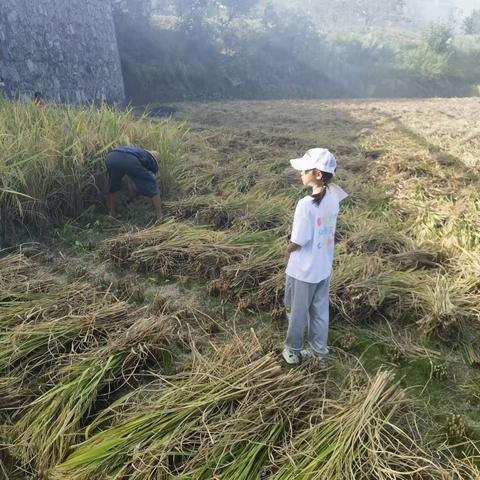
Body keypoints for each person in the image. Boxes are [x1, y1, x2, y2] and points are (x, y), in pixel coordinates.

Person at [282, 148, 348, 365]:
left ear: (318, 174)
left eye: (304, 170)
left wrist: (287, 249)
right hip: (323, 267)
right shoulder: (334, 197)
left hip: (302, 270)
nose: (300, 173)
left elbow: (298, 241)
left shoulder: (305, 205)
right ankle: (319, 352)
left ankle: (292, 350)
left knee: (296, 311)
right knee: (319, 312)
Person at [104, 146, 163, 222]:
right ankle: (159, 216)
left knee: (113, 186)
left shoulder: (136, 150)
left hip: (110, 157)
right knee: (152, 185)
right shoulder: (151, 159)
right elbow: (151, 181)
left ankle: (112, 214)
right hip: (129, 160)